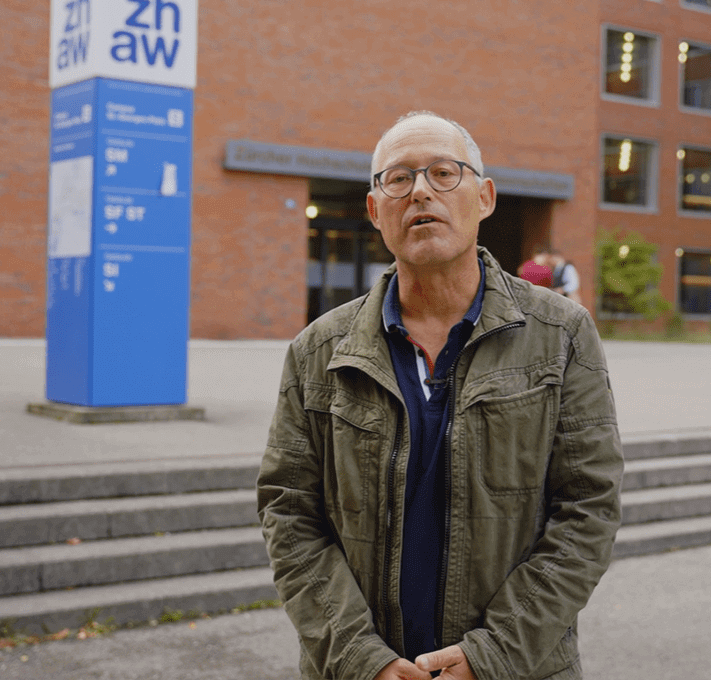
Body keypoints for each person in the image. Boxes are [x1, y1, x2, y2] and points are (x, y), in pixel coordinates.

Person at [257, 111, 623, 680]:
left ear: (484, 196)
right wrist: (360, 658)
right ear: (376, 210)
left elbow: (588, 510)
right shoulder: (318, 351)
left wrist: (493, 653)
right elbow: (290, 514)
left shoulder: (561, 334)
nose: (421, 190)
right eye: (398, 179)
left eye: (443, 173)